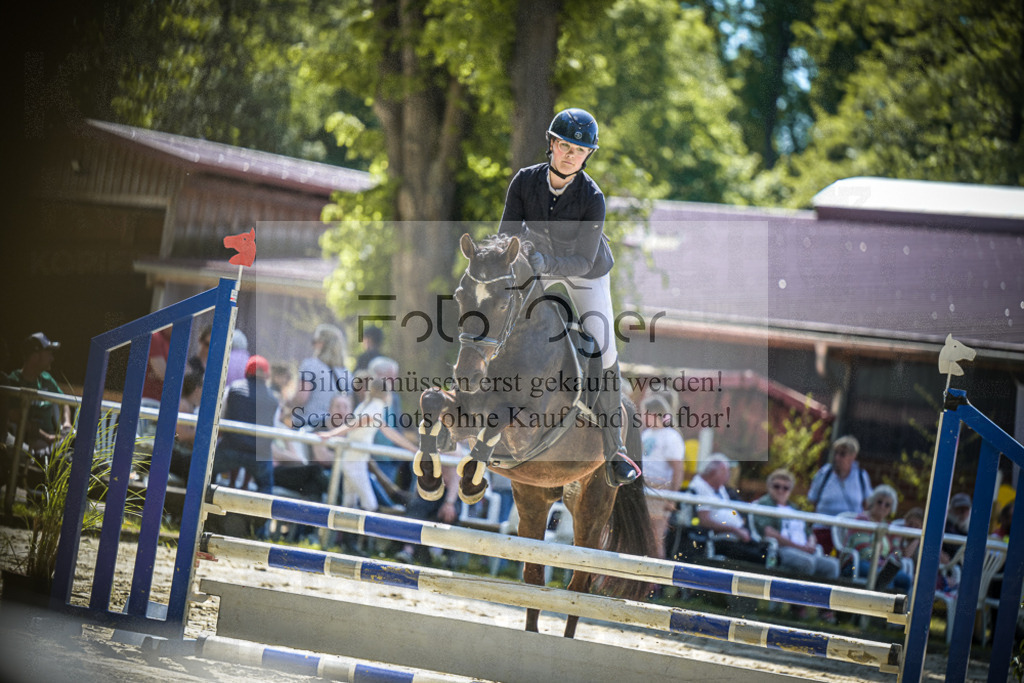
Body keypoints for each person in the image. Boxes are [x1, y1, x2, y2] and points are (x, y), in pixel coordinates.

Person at [498, 107, 640, 488]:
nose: (571, 155)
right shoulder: (524, 182)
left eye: (579, 150)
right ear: (551, 144)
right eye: (565, 146)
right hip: (535, 266)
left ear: (587, 155)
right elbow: (505, 238)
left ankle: (615, 450)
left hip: (584, 273)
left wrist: (548, 264)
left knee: (605, 350)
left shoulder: (593, 197)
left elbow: (582, 258)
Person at [751, 469, 840, 579]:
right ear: (769, 487)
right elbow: (769, 533)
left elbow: (809, 533)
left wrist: (811, 544)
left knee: (832, 565)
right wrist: (799, 547)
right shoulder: (764, 504)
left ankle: (822, 595)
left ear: (790, 490)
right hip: (780, 550)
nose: (781, 491)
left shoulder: (794, 508)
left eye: (785, 488)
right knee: (807, 563)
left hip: (805, 551)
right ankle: (802, 595)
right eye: (777, 486)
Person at [211, 355, 277, 493]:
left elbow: (221, 421)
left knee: (206, 474)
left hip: (230, 450)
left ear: (247, 372)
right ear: (266, 376)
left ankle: (200, 507)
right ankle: (262, 513)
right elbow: (270, 435)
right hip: (257, 456)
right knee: (266, 484)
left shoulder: (233, 389)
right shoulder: (273, 399)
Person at [688, 453, 767, 566]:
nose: (729, 476)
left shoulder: (718, 487)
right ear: (716, 472)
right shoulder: (699, 486)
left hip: (736, 537)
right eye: (727, 472)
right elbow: (704, 521)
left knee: (766, 552)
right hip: (720, 540)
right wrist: (735, 530)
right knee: (761, 558)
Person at [5, 332, 73, 455]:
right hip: (28, 443)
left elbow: (65, 402)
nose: (52, 358)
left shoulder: (46, 378)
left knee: (80, 447)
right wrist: (47, 437)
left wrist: (66, 423)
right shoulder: (14, 381)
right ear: (35, 356)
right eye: (49, 354)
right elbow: (15, 417)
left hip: (52, 441)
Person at [807, 435, 873, 554]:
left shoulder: (861, 476)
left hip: (850, 533)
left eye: (842, 454)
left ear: (853, 456)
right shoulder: (824, 474)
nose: (837, 458)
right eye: (835, 453)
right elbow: (813, 499)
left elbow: (867, 503)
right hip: (823, 530)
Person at [843, 485, 913, 594]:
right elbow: (862, 549)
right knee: (885, 577)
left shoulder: (888, 527)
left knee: (905, 580)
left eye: (887, 505)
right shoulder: (862, 521)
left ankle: (898, 610)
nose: (882, 506)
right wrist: (882, 562)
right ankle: (876, 608)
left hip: (881, 565)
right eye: (879, 502)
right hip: (858, 563)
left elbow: (896, 551)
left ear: (891, 509)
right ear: (872, 502)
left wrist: (888, 562)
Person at [640, 395, 684, 558]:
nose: (643, 417)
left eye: (645, 413)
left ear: (654, 414)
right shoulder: (646, 435)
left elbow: (678, 470)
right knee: (642, 535)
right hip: (644, 488)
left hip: (659, 491)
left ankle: (655, 581)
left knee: (656, 537)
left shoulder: (670, 437)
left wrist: (671, 498)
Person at [290, 324, 352, 432]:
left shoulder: (310, 365)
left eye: (314, 341)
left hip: (308, 425)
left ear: (321, 343)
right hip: (334, 429)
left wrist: (287, 403)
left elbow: (301, 398)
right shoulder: (347, 374)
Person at [142, 327, 172, 402]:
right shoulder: (155, 336)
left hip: (165, 400)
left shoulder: (173, 340)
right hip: (149, 401)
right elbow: (162, 373)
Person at [943, 492, 972, 559]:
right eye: (960, 509)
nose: (963, 513)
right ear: (951, 510)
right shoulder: (946, 527)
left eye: (966, 509)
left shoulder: (969, 528)